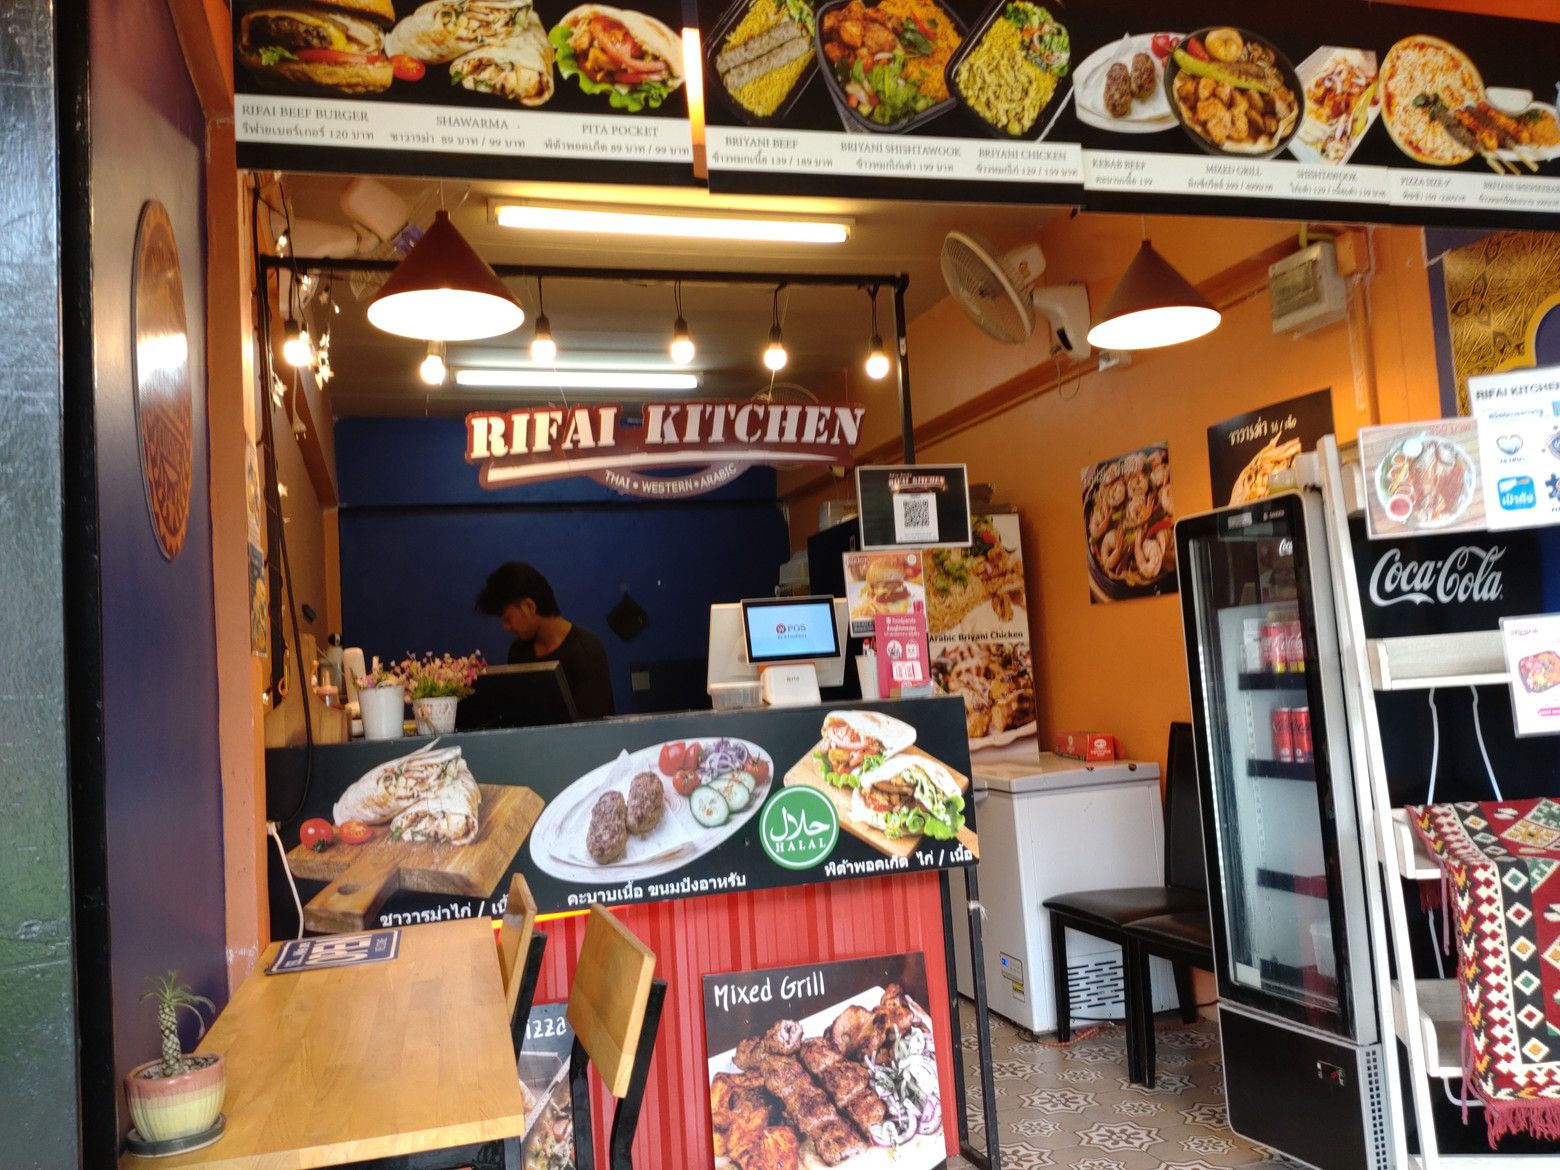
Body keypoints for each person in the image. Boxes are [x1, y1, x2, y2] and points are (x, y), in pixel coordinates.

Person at [475, 562, 616, 720]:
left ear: (529, 606)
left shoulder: (587, 650)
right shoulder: (518, 651)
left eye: (507, 619)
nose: (506, 627)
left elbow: (593, 726)